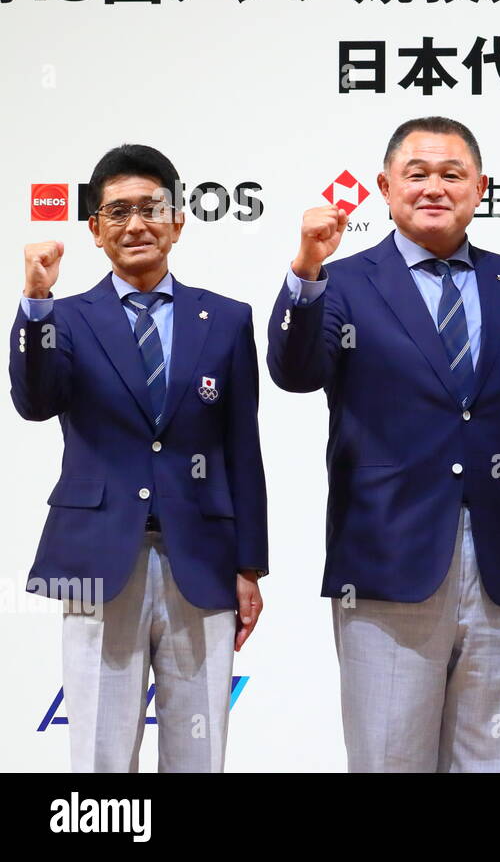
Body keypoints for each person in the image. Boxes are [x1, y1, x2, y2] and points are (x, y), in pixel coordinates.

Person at [266, 116, 500, 772]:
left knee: (492, 760)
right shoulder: (342, 282)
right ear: (385, 186)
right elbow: (296, 373)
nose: (434, 187)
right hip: (385, 564)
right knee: (388, 759)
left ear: (481, 188)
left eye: (452, 174)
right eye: (417, 175)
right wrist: (305, 270)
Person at [10, 144, 268, 772]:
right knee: (100, 749)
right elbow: (35, 401)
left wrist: (250, 567)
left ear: (178, 219)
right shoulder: (64, 318)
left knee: (200, 750)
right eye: (117, 212)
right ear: (95, 230)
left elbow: (242, 449)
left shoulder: (227, 319)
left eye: (152, 208)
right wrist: (36, 300)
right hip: (95, 557)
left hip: (202, 561)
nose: (136, 224)